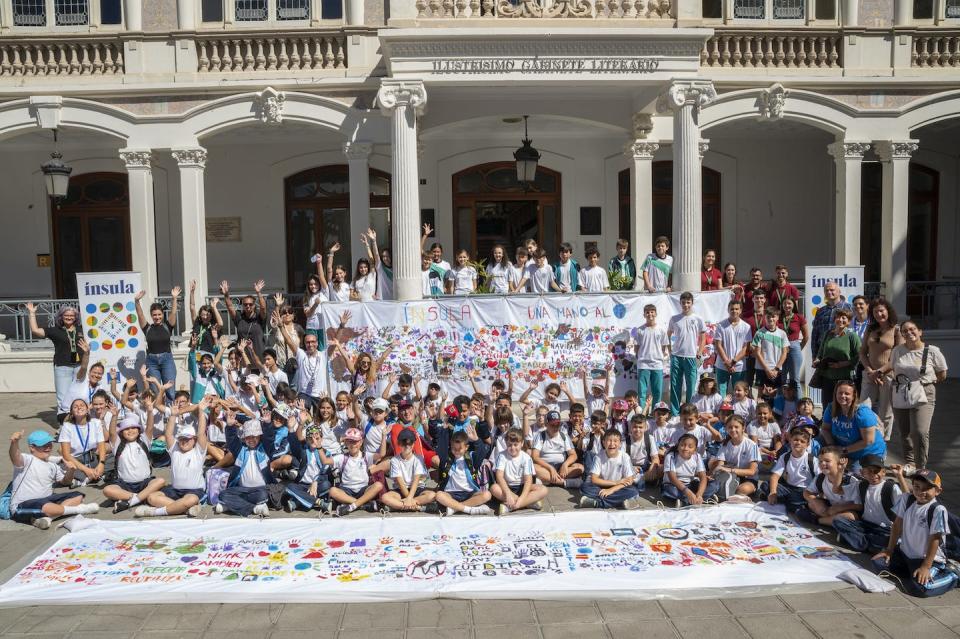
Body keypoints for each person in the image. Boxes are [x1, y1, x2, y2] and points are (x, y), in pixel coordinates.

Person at [873, 469, 959, 598]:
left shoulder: (937, 509)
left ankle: (954, 575)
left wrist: (925, 566)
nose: (921, 492)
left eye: (927, 488)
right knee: (879, 562)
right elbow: (896, 525)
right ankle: (912, 572)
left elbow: (935, 539)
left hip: (928, 559)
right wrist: (889, 550)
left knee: (921, 588)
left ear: (937, 491)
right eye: (917, 487)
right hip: (905, 554)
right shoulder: (907, 499)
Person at [133, 397, 211, 518]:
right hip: (174, 491)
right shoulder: (175, 449)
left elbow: (201, 432)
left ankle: (155, 512)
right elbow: (168, 434)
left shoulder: (198, 451)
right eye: (181, 439)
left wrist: (201, 411)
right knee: (152, 497)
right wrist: (173, 415)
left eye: (187, 438)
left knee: (190, 500)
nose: (184, 441)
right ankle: (183, 508)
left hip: (194, 491)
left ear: (194, 440)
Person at [8, 430, 96, 529]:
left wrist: (71, 471)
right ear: (32, 448)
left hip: (46, 501)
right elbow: (14, 456)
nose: (48, 447)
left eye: (49, 444)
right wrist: (14, 442)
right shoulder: (27, 460)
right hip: (22, 506)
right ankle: (80, 510)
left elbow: (65, 482)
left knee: (78, 496)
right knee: (47, 507)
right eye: (43, 445)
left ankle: (49, 518)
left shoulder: (53, 466)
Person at [891, 321, 948, 471]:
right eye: (905, 331)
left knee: (920, 431)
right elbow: (893, 369)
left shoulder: (932, 351)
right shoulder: (897, 350)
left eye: (912, 329)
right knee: (905, 431)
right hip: (902, 392)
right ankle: (910, 463)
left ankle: (921, 466)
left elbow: (942, 373)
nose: (909, 333)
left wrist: (927, 382)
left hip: (924, 392)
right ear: (901, 334)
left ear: (920, 331)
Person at [833, 455, 908, 553]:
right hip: (866, 526)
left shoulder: (890, 487)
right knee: (838, 521)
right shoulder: (861, 485)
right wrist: (840, 471)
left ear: (884, 472)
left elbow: (907, 500)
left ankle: (859, 542)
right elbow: (837, 490)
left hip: (884, 529)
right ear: (862, 473)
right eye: (868, 471)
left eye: (876, 471)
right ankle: (869, 545)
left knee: (894, 541)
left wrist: (900, 476)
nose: (873, 475)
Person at [25, 303, 83, 421]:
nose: (69, 317)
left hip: (80, 367)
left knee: (79, 396)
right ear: (61, 317)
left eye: (72, 315)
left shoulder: (83, 329)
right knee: (63, 398)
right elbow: (35, 330)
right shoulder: (55, 330)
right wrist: (32, 313)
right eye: (66, 315)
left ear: (76, 317)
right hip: (63, 368)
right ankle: (64, 425)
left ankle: (79, 421)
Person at [102, 415, 166, 513]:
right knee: (107, 490)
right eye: (126, 429)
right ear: (122, 433)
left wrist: (149, 411)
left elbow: (149, 427)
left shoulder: (144, 441)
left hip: (144, 482)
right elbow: (111, 433)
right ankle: (141, 498)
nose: (130, 431)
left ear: (139, 430)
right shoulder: (117, 444)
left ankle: (131, 502)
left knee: (160, 481)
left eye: (133, 428)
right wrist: (114, 415)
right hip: (124, 484)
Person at [859, 298, 901, 443]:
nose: (878, 314)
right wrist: (870, 371)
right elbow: (863, 352)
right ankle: (868, 438)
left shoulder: (896, 330)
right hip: (869, 375)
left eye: (881, 311)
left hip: (888, 376)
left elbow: (898, 356)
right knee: (864, 408)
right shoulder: (870, 329)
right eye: (875, 312)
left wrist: (880, 371)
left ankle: (883, 441)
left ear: (888, 311)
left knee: (885, 411)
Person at [821, 380, 886, 466]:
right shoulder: (831, 408)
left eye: (847, 393)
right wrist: (831, 446)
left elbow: (868, 441)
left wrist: (843, 450)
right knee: (817, 445)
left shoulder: (862, 413)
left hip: (868, 453)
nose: (843, 396)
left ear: (853, 396)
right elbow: (825, 429)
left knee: (857, 477)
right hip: (843, 450)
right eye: (840, 393)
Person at [134, 287, 181, 402]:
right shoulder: (147, 328)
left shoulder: (167, 326)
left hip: (167, 360)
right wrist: (136, 301)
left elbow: (173, 312)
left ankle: (171, 416)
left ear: (162, 315)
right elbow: (140, 315)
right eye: (154, 315)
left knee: (170, 389)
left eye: (159, 314)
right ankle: (157, 416)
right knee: (154, 390)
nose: (157, 317)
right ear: (151, 316)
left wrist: (174, 298)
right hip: (152, 362)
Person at [798, 446, 862, 527]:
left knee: (850, 517)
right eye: (820, 461)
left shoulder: (851, 481)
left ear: (839, 463)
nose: (822, 464)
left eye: (827, 461)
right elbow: (807, 492)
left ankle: (818, 520)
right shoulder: (820, 477)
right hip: (830, 509)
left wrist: (839, 508)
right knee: (811, 504)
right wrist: (815, 501)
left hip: (846, 510)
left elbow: (859, 506)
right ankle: (831, 521)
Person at [579, 429, 642, 510]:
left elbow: (629, 480)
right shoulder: (598, 457)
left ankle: (597, 503)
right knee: (584, 488)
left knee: (633, 492)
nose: (612, 444)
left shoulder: (625, 456)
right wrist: (615, 482)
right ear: (603, 442)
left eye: (615, 441)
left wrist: (611, 490)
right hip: (602, 486)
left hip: (619, 487)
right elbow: (594, 479)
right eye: (609, 441)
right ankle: (619, 501)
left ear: (620, 444)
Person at [329, 428, 384, 516]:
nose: (353, 444)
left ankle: (351, 506)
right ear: (346, 443)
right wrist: (319, 446)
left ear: (361, 442)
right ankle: (364, 505)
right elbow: (325, 461)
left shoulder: (366, 455)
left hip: (363, 489)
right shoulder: (342, 457)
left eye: (356, 441)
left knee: (378, 485)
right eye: (350, 441)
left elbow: (381, 454)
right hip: (347, 490)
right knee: (332, 490)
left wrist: (384, 436)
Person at [492, 428, 549, 514]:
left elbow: (528, 480)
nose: (512, 448)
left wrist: (521, 499)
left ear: (522, 443)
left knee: (543, 490)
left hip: (522, 486)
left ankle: (512, 506)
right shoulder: (502, 455)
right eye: (510, 445)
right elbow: (499, 476)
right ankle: (528, 503)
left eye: (515, 444)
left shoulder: (526, 458)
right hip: (507, 486)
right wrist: (507, 493)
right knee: (494, 488)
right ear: (506, 443)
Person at [435, 431, 493, 516]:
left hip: (469, 493)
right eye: (453, 448)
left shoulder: (471, 457)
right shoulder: (447, 458)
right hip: (450, 494)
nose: (456, 451)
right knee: (439, 495)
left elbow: (482, 452)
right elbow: (440, 449)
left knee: (487, 495)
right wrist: (444, 430)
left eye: (459, 449)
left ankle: (454, 508)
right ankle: (469, 509)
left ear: (466, 447)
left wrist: (477, 440)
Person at [668, 292, 706, 415]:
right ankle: (674, 413)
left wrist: (699, 352)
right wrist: (670, 350)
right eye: (683, 302)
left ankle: (689, 412)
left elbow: (703, 337)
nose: (686, 305)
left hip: (691, 357)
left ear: (692, 303)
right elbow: (667, 335)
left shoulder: (698, 318)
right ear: (680, 303)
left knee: (691, 387)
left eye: (688, 302)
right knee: (675, 386)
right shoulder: (674, 319)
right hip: (677, 356)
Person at [380, 429, 437, 513]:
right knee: (384, 497)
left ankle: (398, 506)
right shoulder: (394, 460)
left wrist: (409, 499)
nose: (407, 445)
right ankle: (417, 507)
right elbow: (400, 482)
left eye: (410, 443)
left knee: (432, 495)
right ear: (399, 444)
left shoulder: (418, 458)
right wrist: (408, 499)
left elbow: (416, 480)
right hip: (400, 489)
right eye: (404, 443)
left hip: (417, 488)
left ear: (413, 444)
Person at [813, 308, 861, 403]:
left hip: (844, 378)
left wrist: (842, 364)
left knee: (842, 405)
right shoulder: (828, 334)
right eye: (838, 317)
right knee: (827, 405)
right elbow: (821, 351)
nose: (840, 320)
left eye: (844, 318)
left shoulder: (852, 336)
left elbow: (860, 356)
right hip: (827, 377)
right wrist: (817, 360)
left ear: (849, 322)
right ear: (834, 319)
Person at [765, 427, 817, 513]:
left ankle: (794, 504)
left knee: (794, 499)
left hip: (804, 491)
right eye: (795, 440)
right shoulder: (785, 456)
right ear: (790, 441)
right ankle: (790, 502)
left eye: (802, 441)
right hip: (788, 487)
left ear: (807, 445)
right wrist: (773, 492)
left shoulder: (812, 459)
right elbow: (775, 476)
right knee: (766, 485)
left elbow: (820, 477)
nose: (798, 443)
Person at [710, 415, 760, 501]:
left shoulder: (752, 445)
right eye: (730, 427)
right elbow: (720, 465)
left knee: (742, 489)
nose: (733, 430)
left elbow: (752, 472)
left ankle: (749, 494)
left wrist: (731, 470)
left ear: (743, 428)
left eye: (736, 427)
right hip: (730, 477)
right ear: (726, 429)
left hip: (748, 479)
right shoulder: (724, 444)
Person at [59, 398, 107, 487]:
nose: (79, 408)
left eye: (82, 405)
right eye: (75, 407)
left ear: (88, 409)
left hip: (92, 458)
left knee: (114, 459)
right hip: (76, 461)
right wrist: (86, 470)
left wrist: (101, 463)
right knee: (63, 468)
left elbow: (101, 445)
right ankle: (94, 476)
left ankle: (84, 479)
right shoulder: (67, 426)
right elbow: (66, 455)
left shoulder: (95, 423)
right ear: (72, 412)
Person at [662, 433, 717, 506]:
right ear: (678, 446)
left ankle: (695, 498)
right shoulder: (671, 456)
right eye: (682, 445)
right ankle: (696, 499)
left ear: (695, 450)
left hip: (690, 484)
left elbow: (703, 476)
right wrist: (687, 492)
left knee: (714, 484)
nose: (685, 448)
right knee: (670, 491)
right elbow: (672, 478)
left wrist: (700, 493)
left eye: (690, 446)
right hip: (673, 485)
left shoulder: (697, 456)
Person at [532, 411, 583, 488]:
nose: (555, 427)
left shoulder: (564, 436)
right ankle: (563, 482)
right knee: (533, 467)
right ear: (546, 424)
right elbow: (535, 456)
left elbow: (573, 455)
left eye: (558, 424)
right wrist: (550, 468)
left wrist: (565, 465)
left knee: (580, 468)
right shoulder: (540, 435)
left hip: (560, 468)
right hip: (545, 467)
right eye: (552, 425)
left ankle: (547, 480)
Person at [635, 304, 669, 416]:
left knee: (657, 391)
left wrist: (657, 356)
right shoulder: (640, 330)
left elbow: (664, 347)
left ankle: (656, 413)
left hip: (657, 364)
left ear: (656, 313)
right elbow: (637, 347)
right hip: (643, 364)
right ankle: (642, 414)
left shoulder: (661, 330)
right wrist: (641, 357)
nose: (650, 314)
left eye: (652, 312)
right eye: (647, 312)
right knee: (642, 392)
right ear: (644, 314)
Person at [221, 279, 268, 358]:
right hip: (243, 358)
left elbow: (263, 308)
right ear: (243, 305)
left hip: (259, 358)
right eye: (245, 304)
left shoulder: (259, 318)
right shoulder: (239, 318)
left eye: (250, 304)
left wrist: (258, 293)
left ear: (254, 305)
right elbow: (230, 307)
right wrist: (226, 294)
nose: (248, 306)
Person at [714, 300, 752, 398]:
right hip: (722, 364)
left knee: (739, 391)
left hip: (739, 365)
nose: (734, 311)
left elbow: (745, 347)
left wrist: (734, 361)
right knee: (721, 392)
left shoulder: (746, 327)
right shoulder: (721, 325)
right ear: (728, 310)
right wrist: (726, 362)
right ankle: (722, 412)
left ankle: (737, 412)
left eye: (736, 309)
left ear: (740, 310)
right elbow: (718, 345)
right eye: (732, 309)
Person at [810, 281, 853, 358]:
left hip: (843, 351)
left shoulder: (850, 308)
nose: (829, 292)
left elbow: (854, 330)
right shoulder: (820, 311)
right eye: (826, 290)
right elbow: (815, 334)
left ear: (839, 292)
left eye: (832, 290)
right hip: (823, 353)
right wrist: (814, 355)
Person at [752, 306, 789, 390]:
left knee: (776, 394)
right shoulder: (759, 333)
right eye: (768, 317)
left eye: (773, 316)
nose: (771, 319)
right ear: (765, 318)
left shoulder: (782, 333)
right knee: (761, 394)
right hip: (762, 369)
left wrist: (776, 369)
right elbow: (757, 353)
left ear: (777, 318)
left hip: (776, 369)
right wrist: (767, 370)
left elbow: (784, 353)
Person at [778, 296, 808, 392]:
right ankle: (780, 403)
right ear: (782, 305)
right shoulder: (778, 317)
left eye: (789, 303)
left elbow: (806, 336)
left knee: (794, 379)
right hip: (780, 348)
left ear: (794, 304)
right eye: (785, 304)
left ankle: (798, 404)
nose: (787, 306)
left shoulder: (799, 317)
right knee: (781, 378)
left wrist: (798, 348)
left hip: (794, 346)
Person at [188, 280, 222, 354]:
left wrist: (214, 307)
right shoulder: (197, 323)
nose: (205, 317)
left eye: (207, 315)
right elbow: (192, 308)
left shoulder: (213, 326)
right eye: (203, 315)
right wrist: (192, 292)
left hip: (209, 355)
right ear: (200, 315)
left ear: (211, 315)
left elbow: (221, 324)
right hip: (197, 354)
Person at [364, 228, 393, 301]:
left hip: (394, 300)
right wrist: (373, 241)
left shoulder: (396, 269)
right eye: (383, 256)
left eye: (387, 256)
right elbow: (376, 254)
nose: (385, 258)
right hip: (381, 300)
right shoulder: (380, 267)